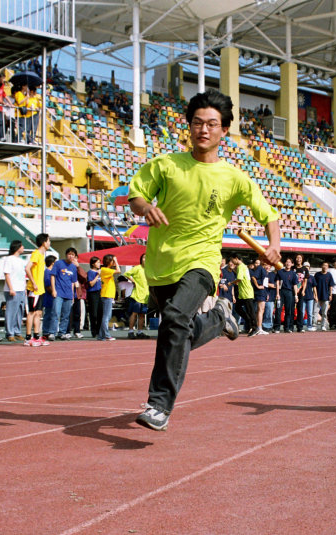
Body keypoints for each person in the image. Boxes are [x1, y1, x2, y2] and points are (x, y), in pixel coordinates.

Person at [128, 89, 281, 431]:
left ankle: (159, 405)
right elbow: (135, 195)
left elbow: (268, 213)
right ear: (189, 126)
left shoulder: (233, 177)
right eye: (197, 122)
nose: (203, 130)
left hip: (202, 262)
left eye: (212, 124)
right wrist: (146, 208)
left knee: (173, 318)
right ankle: (217, 318)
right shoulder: (166, 166)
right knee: (176, 329)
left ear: (224, 130)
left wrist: (274, 245)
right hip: (161, 264)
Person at [24, 233, 50, 347]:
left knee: (38, 313)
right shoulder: (36, 254)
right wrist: (33, 283)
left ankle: (36, 336)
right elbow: (27, 268)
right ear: (44, 242)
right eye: (48, 241)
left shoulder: (41, 256)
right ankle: (28, 338)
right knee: (31, 313)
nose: (50, 243)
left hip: (40, 290)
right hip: (34, 289)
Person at [50, 247, 78, 340]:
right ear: (66, 255)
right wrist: (53, 290)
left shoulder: (74, 267)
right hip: (59, 293)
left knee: (66, 315)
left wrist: (73, 295)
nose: (71, 256)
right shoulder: (58, 263)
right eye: (69, 254)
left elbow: (73, 282)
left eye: (73, 255)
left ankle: (62, 333)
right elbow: (53, 276)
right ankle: (52, 332)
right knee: (55, 313)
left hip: (68, 294)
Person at [1, 240, 27, 341]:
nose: (23, 248)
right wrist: (11, 288)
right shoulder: (9, 259)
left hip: (21, 289)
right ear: (17, 247)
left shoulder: (20, 260)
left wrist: (24, 288)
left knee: (20, 311)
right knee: (11, 311)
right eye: (22, 246)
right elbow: (7, 274)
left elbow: (21, 276)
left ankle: (17, 331)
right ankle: (9, 333)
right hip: (12, 289)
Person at [123, 254, 150, 339]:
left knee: (142, 315)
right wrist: (133, 281)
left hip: (146, 295)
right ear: (141, 259)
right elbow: (126, 273)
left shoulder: (149, 269)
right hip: (137, 295)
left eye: (147, 258)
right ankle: (131, 331)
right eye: (144, 258)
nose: (145, 260)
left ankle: (140, 332)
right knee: (134, 313)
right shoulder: (137, 268)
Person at [233, 254, 258, 336]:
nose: (232, 262)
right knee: (237, 308)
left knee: (250, 311)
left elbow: (239, 279)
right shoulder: (243, 266)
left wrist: (230, 283)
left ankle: (254, 328)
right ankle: (249, 321)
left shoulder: (241, 266)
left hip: (247, 292)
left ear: (236, 259)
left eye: (232, 259)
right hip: (243, 293)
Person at [276, 257, 298, 333]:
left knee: (288, 311)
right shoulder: (280, 272)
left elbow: (295, 285)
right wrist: (277, 294)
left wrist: (296, 295)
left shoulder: (293, 274)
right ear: (284, 263)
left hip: (289, 293)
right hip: (281, 292)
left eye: (290, 262)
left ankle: (287, 327)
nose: (288, 263)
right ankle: (277, 328)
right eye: (287, 262)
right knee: (278, 310)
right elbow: (278, 283)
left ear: (292, 264)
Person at [249, 258, 269, 335]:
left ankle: (258, 327)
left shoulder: (263, 269)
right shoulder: (259, 268)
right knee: (260, 309)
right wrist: (257, 286)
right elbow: (253, 277)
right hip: (260, 291)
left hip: (263, 291)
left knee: (261, 310)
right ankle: (259, 328)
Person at [312, 261, 334, 331]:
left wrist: (330, 294)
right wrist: (315, 295)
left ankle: (323, 326)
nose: (325, 267)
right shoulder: (317, 275)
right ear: (321, 266)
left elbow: (331, 286)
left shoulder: (329, 275)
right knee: (315, 312)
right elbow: (314, 286)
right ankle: (314, 325)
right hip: (318, 296)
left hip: (326, 296)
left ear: (328, 267)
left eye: (326, 266)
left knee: (324, 313)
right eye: (324, 265)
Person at [85, 256, 102, 339]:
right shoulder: (90, 272)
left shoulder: (99, 272)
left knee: (100, 312)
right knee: (93, 313)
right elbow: (91, 284)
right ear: (93, 263)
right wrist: (97, 275)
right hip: (92, 293)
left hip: (100, 293)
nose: (99, 264)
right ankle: (93, 330)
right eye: (98, 262)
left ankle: (99, 330)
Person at [293, 254, 309, 332]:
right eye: (297, 258)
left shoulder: (305, 269)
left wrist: (303, 290)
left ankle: (300, 327)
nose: (298, 259)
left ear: (302, 260)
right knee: (291, 308)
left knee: (300, 309)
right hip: (293, 291)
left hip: (301, 292)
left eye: (300, 258)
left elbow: (305, 281)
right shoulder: (293, 268)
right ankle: (290, 326)